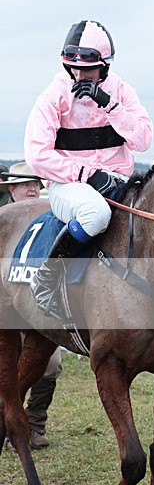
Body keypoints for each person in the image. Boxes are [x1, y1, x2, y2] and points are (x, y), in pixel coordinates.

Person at [24, 19, 153, 320]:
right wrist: (85, 174)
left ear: (105, 66)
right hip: (66, 185)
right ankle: (46, 279)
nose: (79, 75)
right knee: (96, 213)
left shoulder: (122, 91)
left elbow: (143, 139)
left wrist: (109, 105)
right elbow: (37, 155)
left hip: (118, 180)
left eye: (88, 69)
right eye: (74, 68)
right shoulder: (53, 95)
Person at [0, 162, 62, 448]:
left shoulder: (50, 219)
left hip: (38, 307)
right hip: (8, 308)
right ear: (11, 190)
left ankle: (34, 422)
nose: (32, 188)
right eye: (25, 184)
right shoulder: (5, 223)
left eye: (35, 183)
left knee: (50, 365)